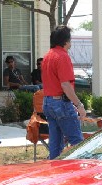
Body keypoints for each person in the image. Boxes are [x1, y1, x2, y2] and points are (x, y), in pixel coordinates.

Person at [41, 25, 86, 159]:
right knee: (78, 144)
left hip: (48, 102)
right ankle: (81, 176)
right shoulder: (62, 57)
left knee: (55, 147)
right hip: (60, 103)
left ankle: (53, 174)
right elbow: (66, 85)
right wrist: (79, 105)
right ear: (66, 41)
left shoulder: (48, 56)